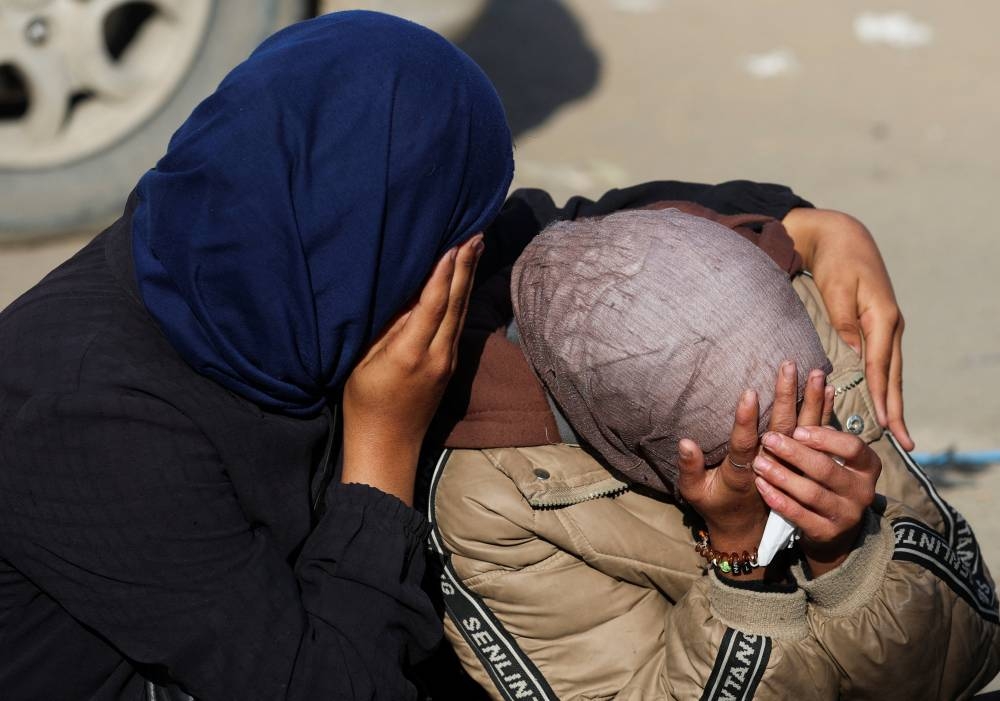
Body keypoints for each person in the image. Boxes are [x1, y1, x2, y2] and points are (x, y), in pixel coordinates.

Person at [0, 10, 911, 701]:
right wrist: (379, 450)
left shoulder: (277, 243)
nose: (470, 256)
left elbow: (556, 236)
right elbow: (330, 683)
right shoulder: (86, 418)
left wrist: (800, 222)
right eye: (454, 232)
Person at [428, 207, 999, 700]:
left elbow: (968, 650)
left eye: (805, 418)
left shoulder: (799, 338)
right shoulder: (498, 503)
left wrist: (847, 553)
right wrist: (740, 567)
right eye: (738, 452)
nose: (792, 448)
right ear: (634, 446)